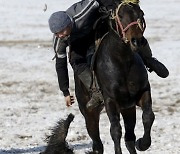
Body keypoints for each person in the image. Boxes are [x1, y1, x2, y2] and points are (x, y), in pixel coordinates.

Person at [48, 0, 169, 110]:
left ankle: (149, 60)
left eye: (62, 31)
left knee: (129, 33)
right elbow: (60, 65)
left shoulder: (82, 12)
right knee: (75, 60)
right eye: (56, 34)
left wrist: (112, 8)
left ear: (69, 24)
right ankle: (96, 92)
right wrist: (65, 91)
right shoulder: (60, 40)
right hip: (79, 40)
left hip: (98, 22)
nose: (60, 36)